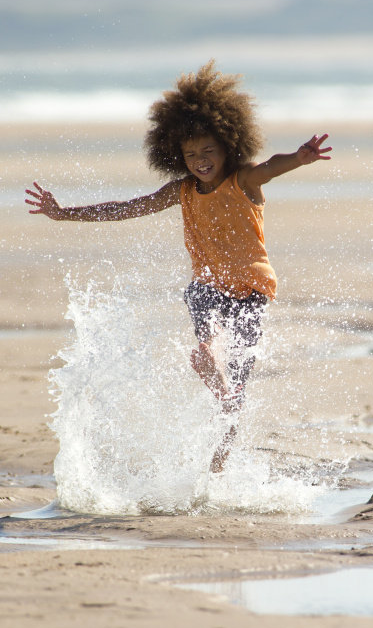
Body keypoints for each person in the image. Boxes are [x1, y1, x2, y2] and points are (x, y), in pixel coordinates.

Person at [25, 61, 331, 472]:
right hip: (207, 284)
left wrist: (300, 157)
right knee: (204, 333)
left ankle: (223, 446)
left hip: (253, 288)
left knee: (240, 378)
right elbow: (128, 208)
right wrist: (65, 214)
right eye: (191, 154)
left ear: (228, 146)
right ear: (177, 156)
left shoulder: (243, 181)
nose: (200, 160)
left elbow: (271, 167)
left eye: (208, 151)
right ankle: (209, 357)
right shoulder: (183, 190)